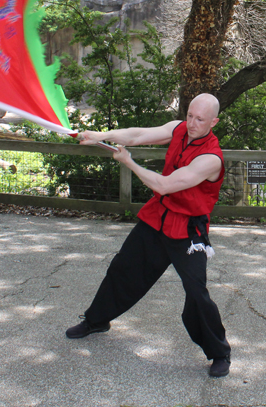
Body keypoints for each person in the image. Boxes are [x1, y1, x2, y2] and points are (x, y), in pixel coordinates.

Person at [66, 93, 231, 378]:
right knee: (123, 268)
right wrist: (99, 135)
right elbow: (140, 134)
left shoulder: (211, 159)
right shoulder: (179, 128)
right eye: (190, 115)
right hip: (158, 217)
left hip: (188, 230)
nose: (191, 123)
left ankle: (219, 353)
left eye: (199, 119)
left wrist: (129, 163)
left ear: (213, 122)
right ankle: (96, 320)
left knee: (196, 292)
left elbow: (165, 185)